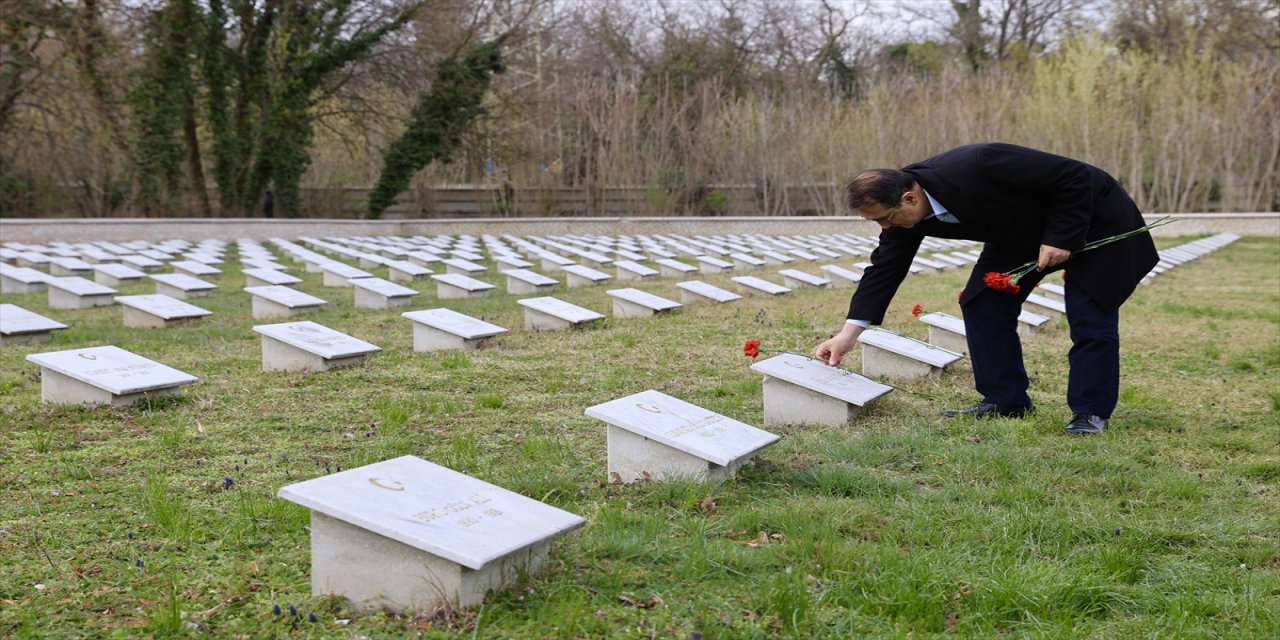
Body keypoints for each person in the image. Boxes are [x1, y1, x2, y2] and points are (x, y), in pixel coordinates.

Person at [815, 143, 1158, 435]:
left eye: (884, 218)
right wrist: (849, 333)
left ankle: (1090, 411)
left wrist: (1060, 237)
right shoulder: (902, 213)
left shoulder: (981, 163)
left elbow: (1075, 176)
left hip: (1095, 223)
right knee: (983, 304)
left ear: (908, 198)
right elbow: (884, 269)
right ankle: (1005, 400)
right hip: (1019, 236)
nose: (884, 227)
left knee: (1089, 315)